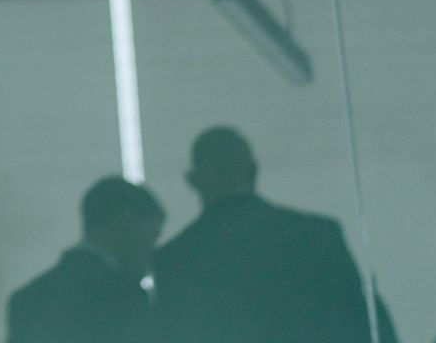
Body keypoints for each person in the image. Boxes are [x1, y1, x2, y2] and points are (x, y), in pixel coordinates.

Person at [151, 126, 373, 343]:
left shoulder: (175, 259)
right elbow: (362, 322)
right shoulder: (317, 234)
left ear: (193, 180)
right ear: (254, 170)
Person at [6, 176, 163, 343]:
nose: (152, 248)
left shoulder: (27, 298)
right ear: (125, 220)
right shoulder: (125, 295)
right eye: (152, 235)